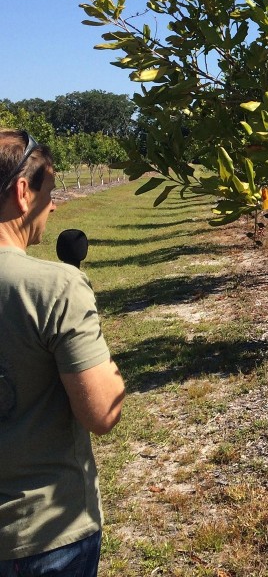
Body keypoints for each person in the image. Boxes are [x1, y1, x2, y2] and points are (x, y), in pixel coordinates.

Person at [0, 129, 125, 576]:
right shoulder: (54, 287)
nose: (53, 205)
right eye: (49, 192)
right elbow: (102, 412)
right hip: (42, 534)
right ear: (22, 192)